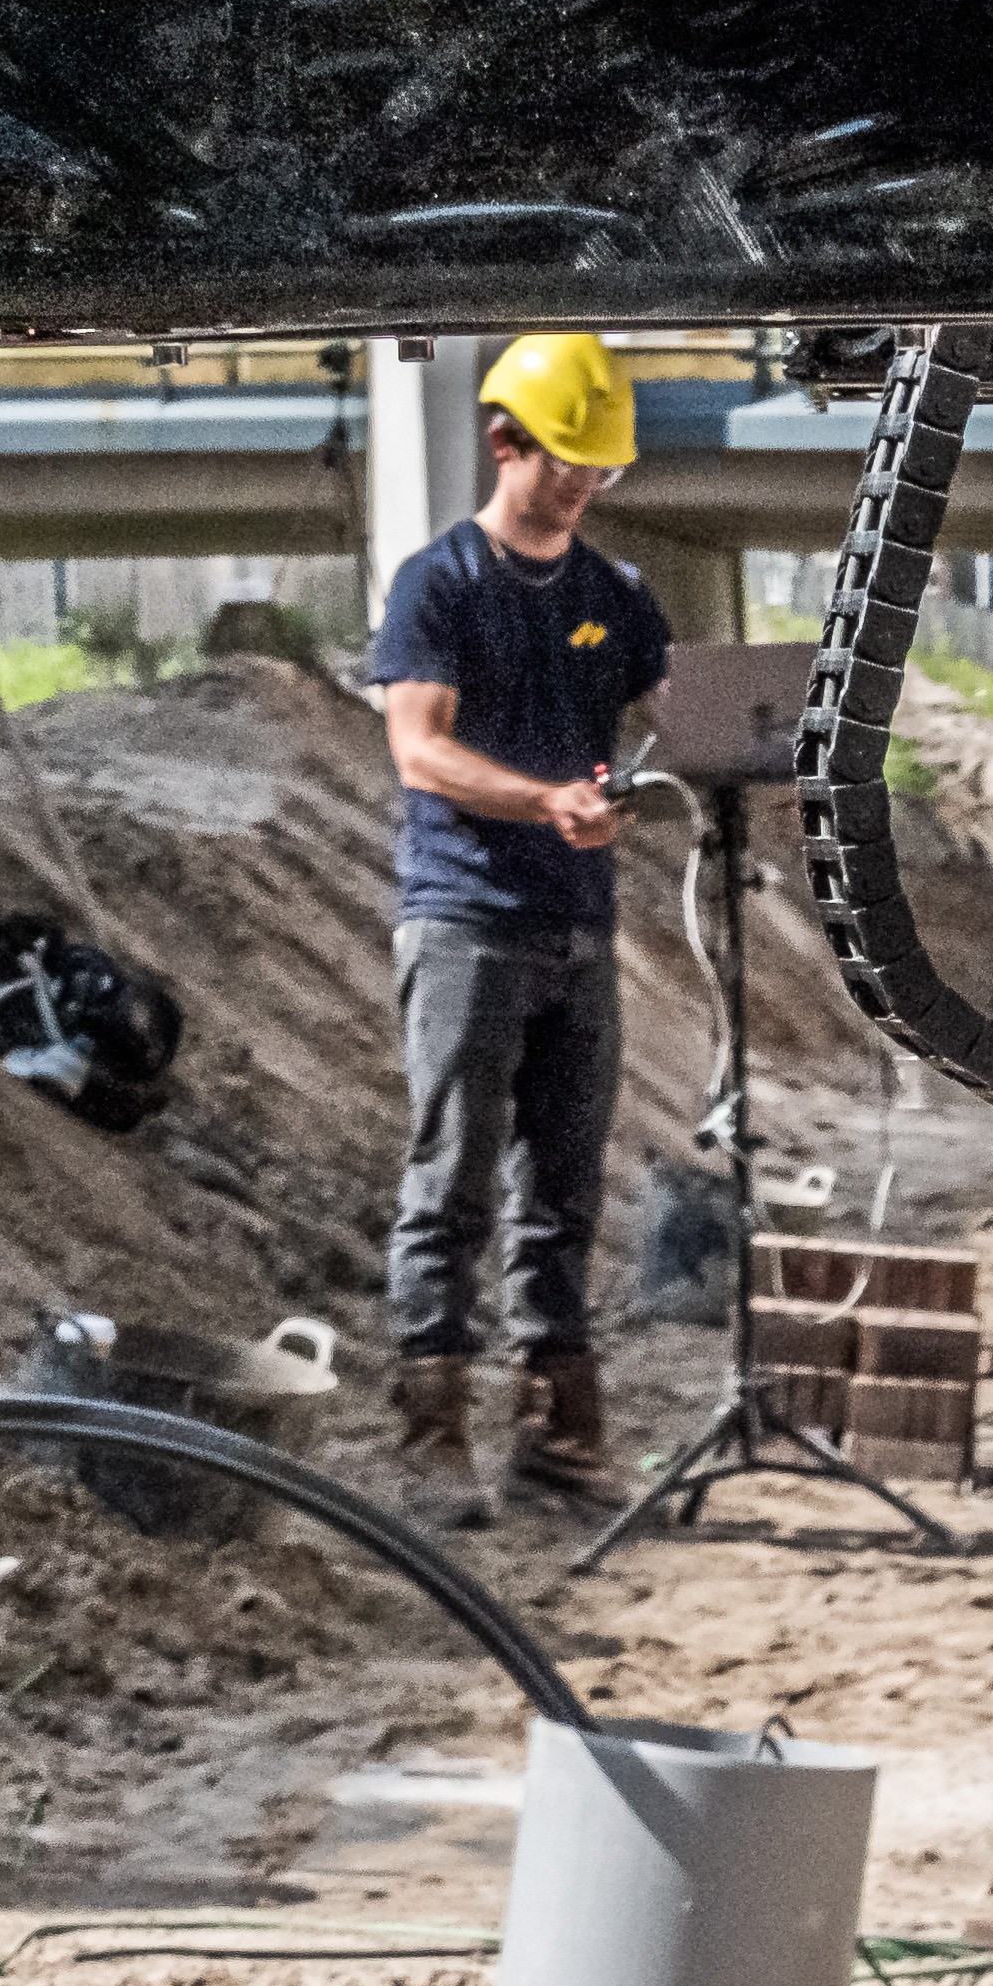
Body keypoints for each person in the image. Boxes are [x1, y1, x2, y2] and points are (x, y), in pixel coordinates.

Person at [368, 334, 670, 1514]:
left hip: (577, 928)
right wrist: (547, 797)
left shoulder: (612, 597)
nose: (584, 484)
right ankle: (431, 1440)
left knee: (564, 1189)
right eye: (566, 462)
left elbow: (673, 708)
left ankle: (557, 1440)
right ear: (505, 442)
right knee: (451, 1178)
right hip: (466, 922)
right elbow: (419, 747)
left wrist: (722, 753)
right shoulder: (437, 585)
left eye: (599, 467)